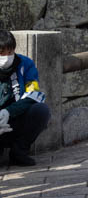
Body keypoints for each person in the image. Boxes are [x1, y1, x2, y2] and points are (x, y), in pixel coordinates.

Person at [0, 30, 50, 167]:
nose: (6, 57)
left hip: (16, 117)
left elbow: (33, 94)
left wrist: (9, 111)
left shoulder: (26, 64)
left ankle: (19, 151)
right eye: (1, 53)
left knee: (41, 110)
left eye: (10, 52)